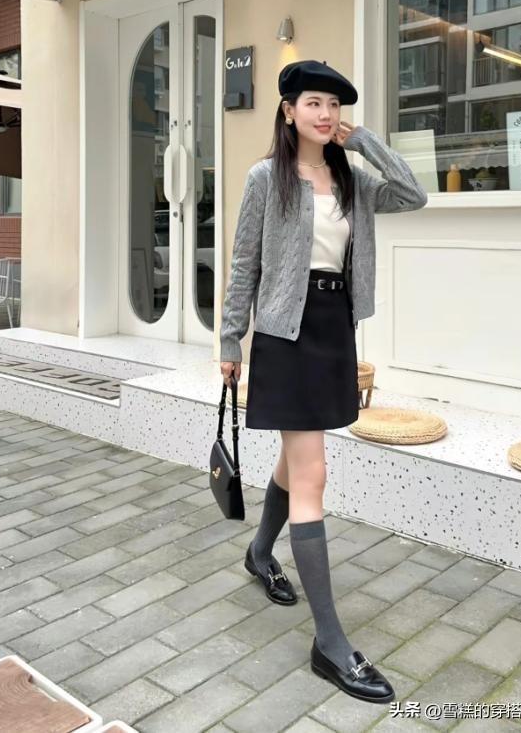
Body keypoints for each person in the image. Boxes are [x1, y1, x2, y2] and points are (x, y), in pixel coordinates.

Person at [219, 60, 427, 702]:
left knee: (295, 460)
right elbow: (245, 262)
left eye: (334, 105)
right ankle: (330, 642)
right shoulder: (266, 177)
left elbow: (414, 194)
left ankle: (260, 552)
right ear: (288, 111)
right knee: (312, 474)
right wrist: (230, 339)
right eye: (313, 102)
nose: (325, 113)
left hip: (334, 327)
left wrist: (363, 141)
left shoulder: (352, 178)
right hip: (285, 334)